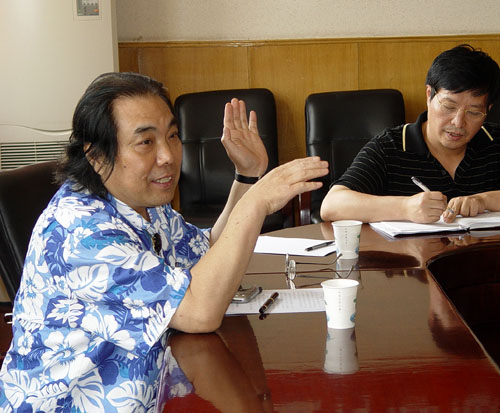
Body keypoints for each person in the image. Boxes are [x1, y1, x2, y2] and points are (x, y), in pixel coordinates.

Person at [0, 72, 328, 412]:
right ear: (96, 156)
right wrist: (255, 203)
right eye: (146, 142)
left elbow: (209, 255)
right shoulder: (82, 233)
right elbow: (199, 312)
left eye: (172, 136)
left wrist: (247, 176)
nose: (168, 156)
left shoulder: (140, 204)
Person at [320, 44, 500, 224]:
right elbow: (332, 205)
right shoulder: (391, 145)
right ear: (429, 95)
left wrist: (484, 201)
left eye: (474, 112)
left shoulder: (496, 141)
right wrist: (405, 207)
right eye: (449, 106)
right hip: (410, 269)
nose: (458, 123)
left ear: (488, 110)